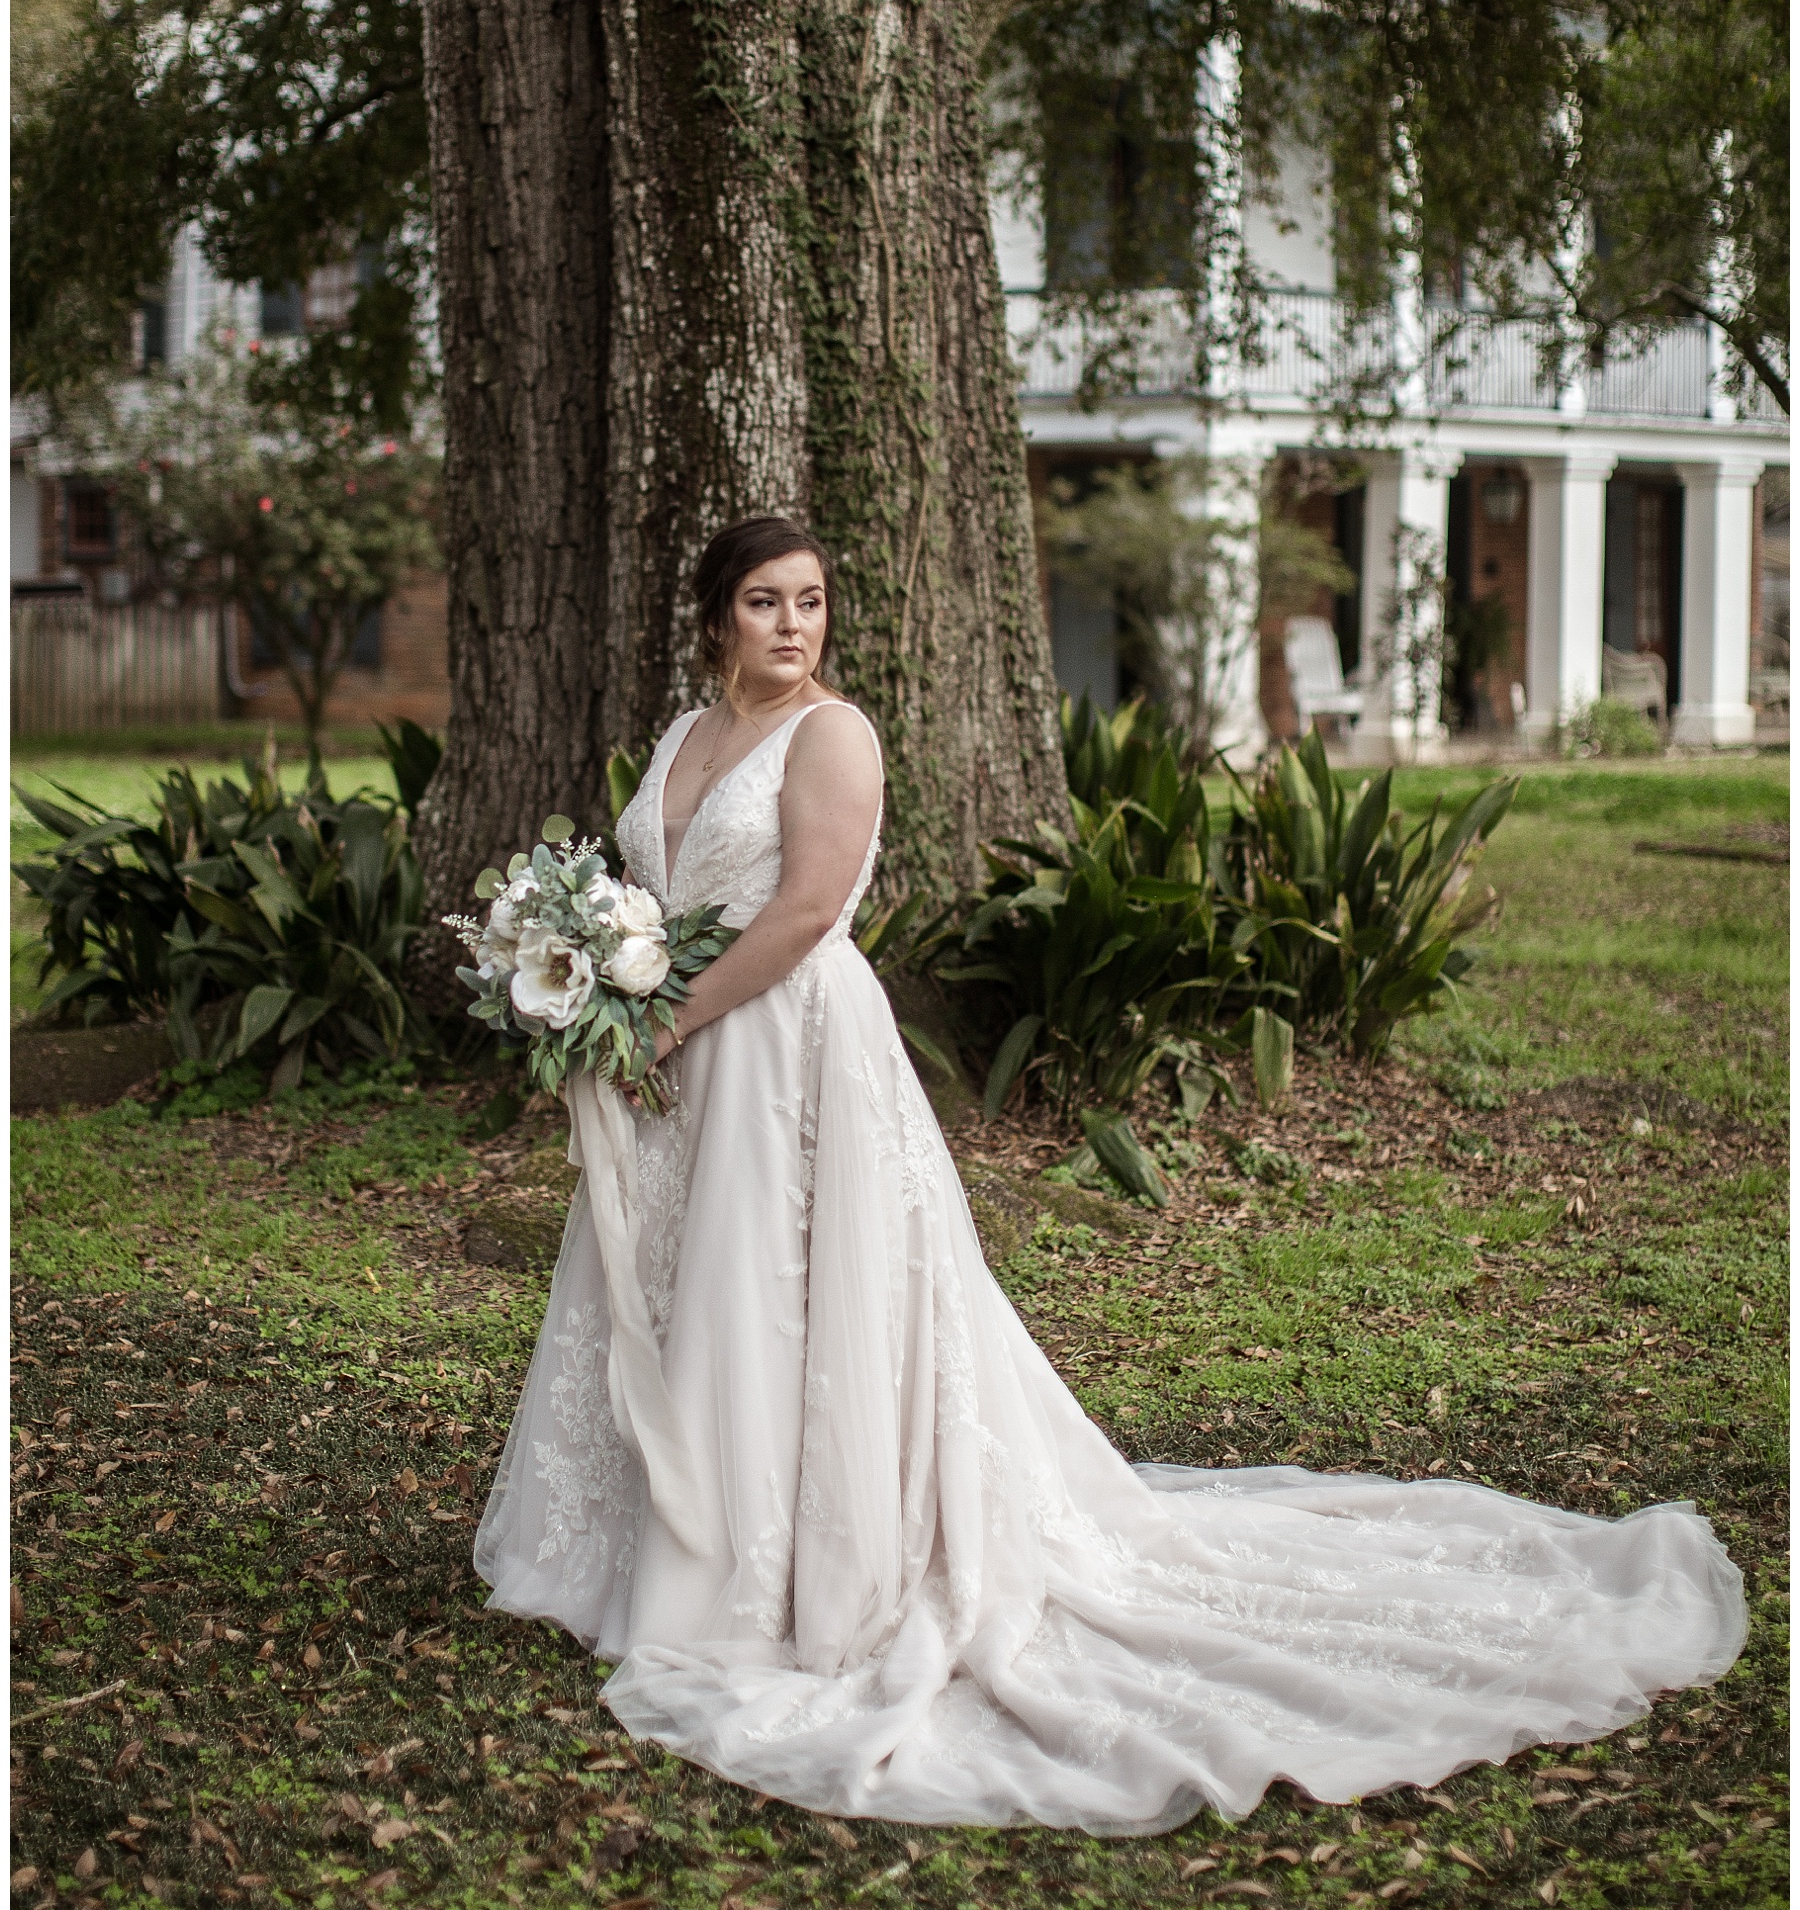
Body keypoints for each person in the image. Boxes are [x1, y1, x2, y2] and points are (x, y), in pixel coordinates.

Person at [474, 513, 1744, 1833]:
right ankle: (664, 1540)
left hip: (786, 1048)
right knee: (696, 1289)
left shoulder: (832, 733)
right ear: (715, 617)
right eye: (763, 602)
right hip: (680, 1064)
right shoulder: (686, 739)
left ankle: (783, 1571)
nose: (794, 625)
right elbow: (645, 893)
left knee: (784, 1297)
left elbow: (803, 911)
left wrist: (670, 1013)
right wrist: (601, 994)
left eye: (810, 600)